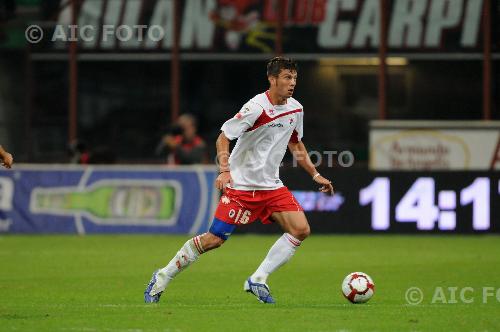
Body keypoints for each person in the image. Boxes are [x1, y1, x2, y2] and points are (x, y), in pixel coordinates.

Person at [144, 57, 334, 304]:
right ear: (272, 79)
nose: (292, 83)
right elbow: (223, 138)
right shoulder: (255, 107)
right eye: (287, 77)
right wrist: (224, 170)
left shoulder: (295, 108)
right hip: (241, 187)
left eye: (295, 78)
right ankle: (162, 276)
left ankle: (258, 279)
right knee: (214, 240)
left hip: (271, 186)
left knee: (301, 230)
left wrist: (315, 174)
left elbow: (296, 143)